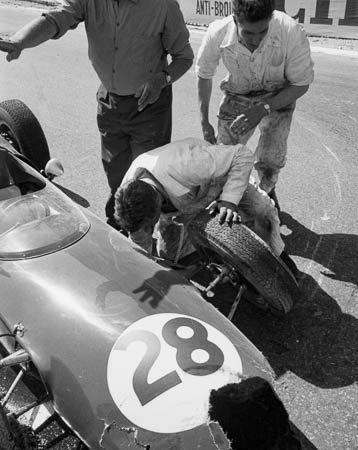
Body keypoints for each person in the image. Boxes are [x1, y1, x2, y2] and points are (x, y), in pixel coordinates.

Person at [0, 0, 194, 228]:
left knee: (145, 184)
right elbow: (55, 20)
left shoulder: (163, 6)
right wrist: (19, 41)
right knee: (118, 179)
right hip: (110, 104)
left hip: (149, 107)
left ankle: (144, 244)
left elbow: (184, 57)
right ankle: (118, 230)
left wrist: (162, 79)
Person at [114, 137, 297, 276]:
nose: (147, 231)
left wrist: (229, 200)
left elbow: (242, 155)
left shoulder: (188, 164)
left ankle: (279, 259)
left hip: (217, 182)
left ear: (156, 207)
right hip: (180, 207)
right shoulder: (129, 196)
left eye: (149, 226)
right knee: (174, 262)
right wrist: (144, 269)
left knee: (261, 212)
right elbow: (139, 237)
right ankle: (213, 254)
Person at [195, 0, 314, 196]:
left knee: (271, 158)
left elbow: (301, 84)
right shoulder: (218, 32)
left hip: (278, 95)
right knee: (224, 155)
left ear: (271, 18)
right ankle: (227, 198)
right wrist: (204, 121)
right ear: (235, 20)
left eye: (263, 31)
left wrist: (264, 108)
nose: (256, 39)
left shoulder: (291, 31)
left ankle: (267, 192)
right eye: (249, 33)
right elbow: (204, 75)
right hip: (237, 93)